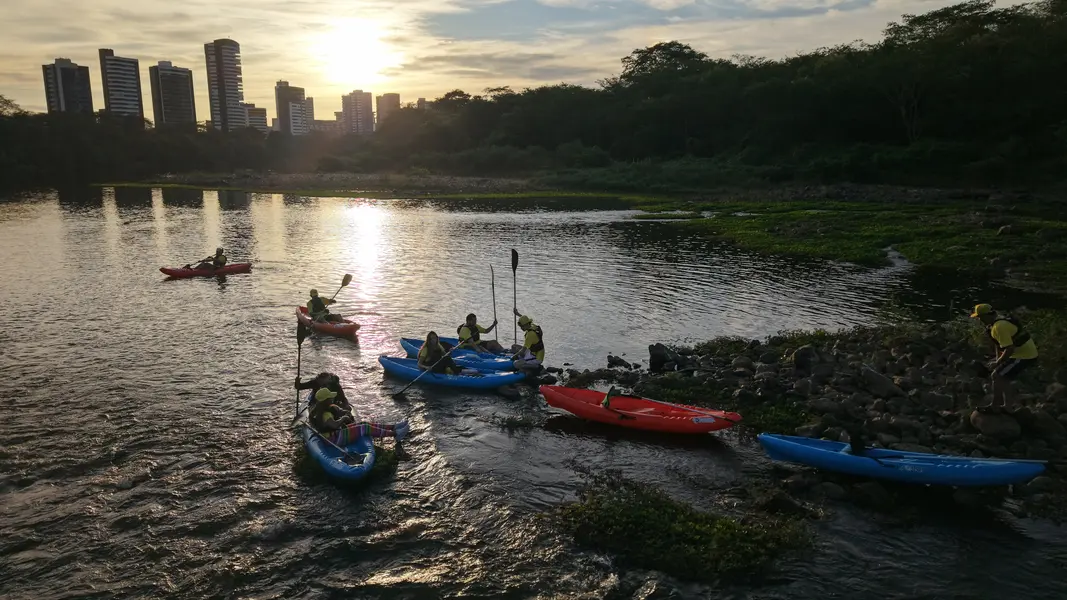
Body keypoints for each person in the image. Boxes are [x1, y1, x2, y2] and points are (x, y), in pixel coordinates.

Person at [970, 303, 1039, 411]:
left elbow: (1009, 348)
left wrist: (997, 363)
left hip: (1024, 356)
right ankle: (1007, 406)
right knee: (1002, 376)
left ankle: (996, 405)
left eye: (980, 317)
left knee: (997, 376)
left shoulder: (999, 327)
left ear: (986, 316)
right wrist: (998, 360)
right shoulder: (995, 324)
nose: (979, 320)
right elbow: (999, 345)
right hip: (1020, 353)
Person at [308, 387, 409, 445]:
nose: (332, 399)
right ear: (325, 400)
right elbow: (334, 425)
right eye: (330, 398)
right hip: (333, 439)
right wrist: (343, 418)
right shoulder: (325, 414)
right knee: (364, 428)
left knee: (363, 423)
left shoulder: (319, 410)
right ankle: (395, 434)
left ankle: (393, 427)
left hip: (334, 434)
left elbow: (336, 416)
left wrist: (342, 412)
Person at [510, 308, 545, 372]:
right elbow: (524, 319)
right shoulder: (533, 325)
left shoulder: (530, 335)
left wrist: (514, 356)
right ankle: (527, 360)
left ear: (526, 324)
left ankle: (536, 367)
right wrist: (517, 314)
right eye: (521, 327)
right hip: (534, 352)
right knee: (514, 346)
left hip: (537, 358)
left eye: (522, 326)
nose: (521, 328)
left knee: (516, 364)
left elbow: (523, 350)